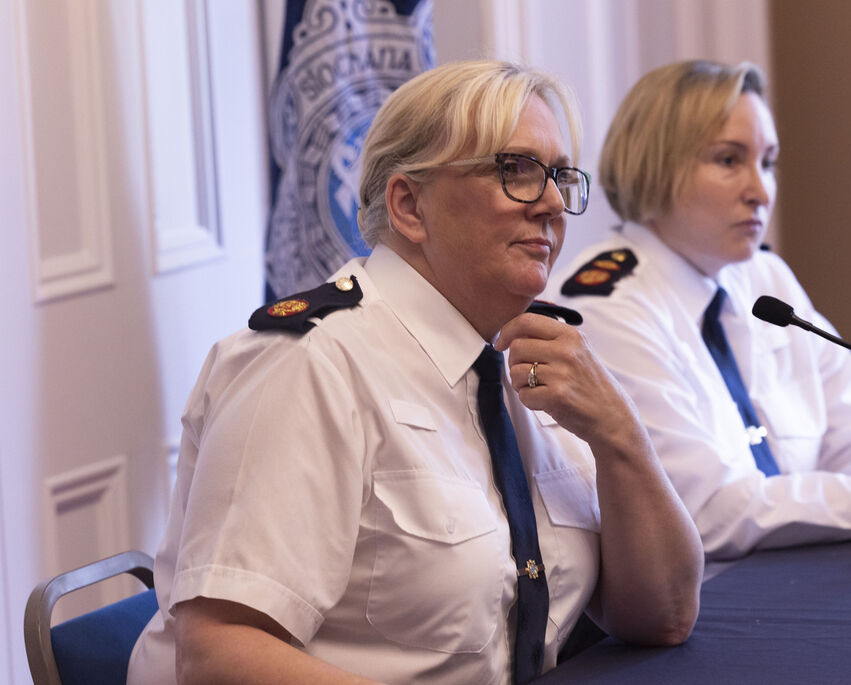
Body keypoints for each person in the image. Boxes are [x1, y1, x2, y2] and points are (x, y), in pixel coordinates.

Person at [127, 60, 703, 684]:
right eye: (515, 171)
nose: (555, 204)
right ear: (409, 205)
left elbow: (662, 616)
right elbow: (219, 654)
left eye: (561, 177)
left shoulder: (529, 356)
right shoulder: (308, 366)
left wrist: (620, 434)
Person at [551, 59, 851, 561]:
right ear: (653, 164)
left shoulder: (766, 279)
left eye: (768, 163)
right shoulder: (607, 307)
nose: (760, 191)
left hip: (806, 575)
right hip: (712, 603)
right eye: (728, 160)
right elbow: (710, 511)